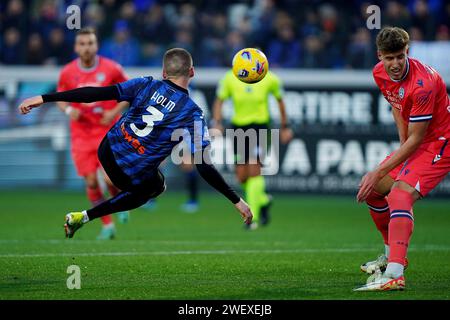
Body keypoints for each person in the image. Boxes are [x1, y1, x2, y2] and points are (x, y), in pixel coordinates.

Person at [19, 48, 253, 239]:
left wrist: (46, 98)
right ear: (191, 72)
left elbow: (95, 94)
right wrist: (237, 200)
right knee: (155, 187)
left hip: (107, 150)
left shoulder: (145, 83)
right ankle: (86, 216)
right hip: (130, 170)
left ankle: (92, 209)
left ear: (164, 72)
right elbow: (204, 166)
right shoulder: (193, 114)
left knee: (144, 179)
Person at [354, 27, 450, 291]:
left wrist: (380, 169)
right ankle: (391, 258)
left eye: (400, 56)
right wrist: (400, 149)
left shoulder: (423, 84)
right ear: (380, 56)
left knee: (399, 195)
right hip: (416, 142)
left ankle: (395, 274)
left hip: (441, 143)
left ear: (407, 52)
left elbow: (418, 140)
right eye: (389, 58)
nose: (395, 64)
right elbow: (397, 106)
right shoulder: (379, 73)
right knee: (373, 190)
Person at [56, 27, 130, 240]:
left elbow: (129, 93)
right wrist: (70, 110)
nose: (86, 48)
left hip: (107, 133)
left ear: (96, 46)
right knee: (90, 182)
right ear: (76, 47)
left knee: (109, 179)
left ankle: (121, 204)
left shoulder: (112, 69)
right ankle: (107, 226)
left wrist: (114, 111)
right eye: (82, 44)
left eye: (90, 43)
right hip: (81, 135)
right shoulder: (68, 72)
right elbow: (59, 97)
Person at [212, 69, 293, 230]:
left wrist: (285, 126)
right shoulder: (230, 77)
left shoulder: (270, 78)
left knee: (254, 167)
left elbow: (280, 101)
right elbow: (219, 101)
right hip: (238, 128)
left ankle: (253, 218)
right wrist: (217, 122)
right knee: (242, 177)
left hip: (259, 127)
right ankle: (263, 200)